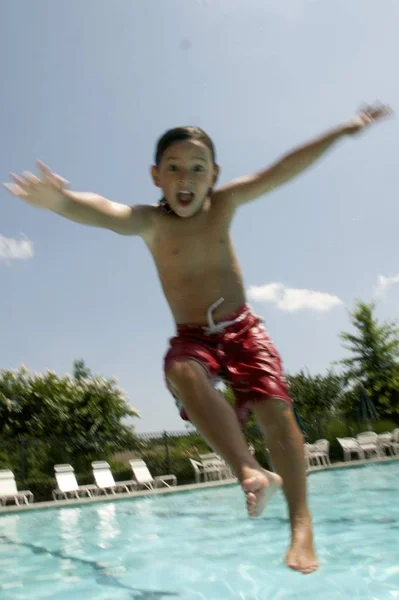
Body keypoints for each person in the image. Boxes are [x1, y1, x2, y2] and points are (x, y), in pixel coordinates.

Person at [4, 102, 392, 574]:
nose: (185, 177)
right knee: (181, 371)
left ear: (214, 174)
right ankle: (249, 469)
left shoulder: (224, 204)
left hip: (243, 328)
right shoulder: (151, 221)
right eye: (173, 168)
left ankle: (301, 522)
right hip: (194, 336)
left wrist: (344, 130)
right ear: (155, 176)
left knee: (276, 412)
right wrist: (60, 202)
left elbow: (283, 168)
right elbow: (106, 212)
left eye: (197, 168)